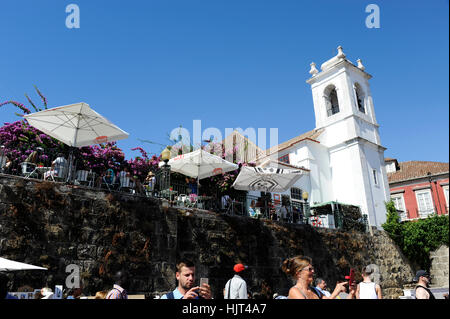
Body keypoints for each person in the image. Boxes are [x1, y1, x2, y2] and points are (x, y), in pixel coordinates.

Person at [281, 255, 353, 299]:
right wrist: (335, 292)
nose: (313, 271)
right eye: (309, 269)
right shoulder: (294, 291)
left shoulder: (315, 290)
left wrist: (352, 292)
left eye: (312, 268)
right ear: (298, 273)